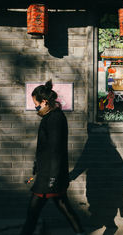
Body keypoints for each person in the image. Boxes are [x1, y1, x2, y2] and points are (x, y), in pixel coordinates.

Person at [20, 80, 85, 235]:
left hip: (49, 176)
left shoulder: (55, 119)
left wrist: (52, 178)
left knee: (32, 213)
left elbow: (56, 150)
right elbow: (46, 148)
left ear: (44, 102)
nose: (35, 107)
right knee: (63, 205)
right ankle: (80, 232)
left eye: (36, 103)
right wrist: (37, 167)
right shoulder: (51, 117)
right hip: (50, 174)